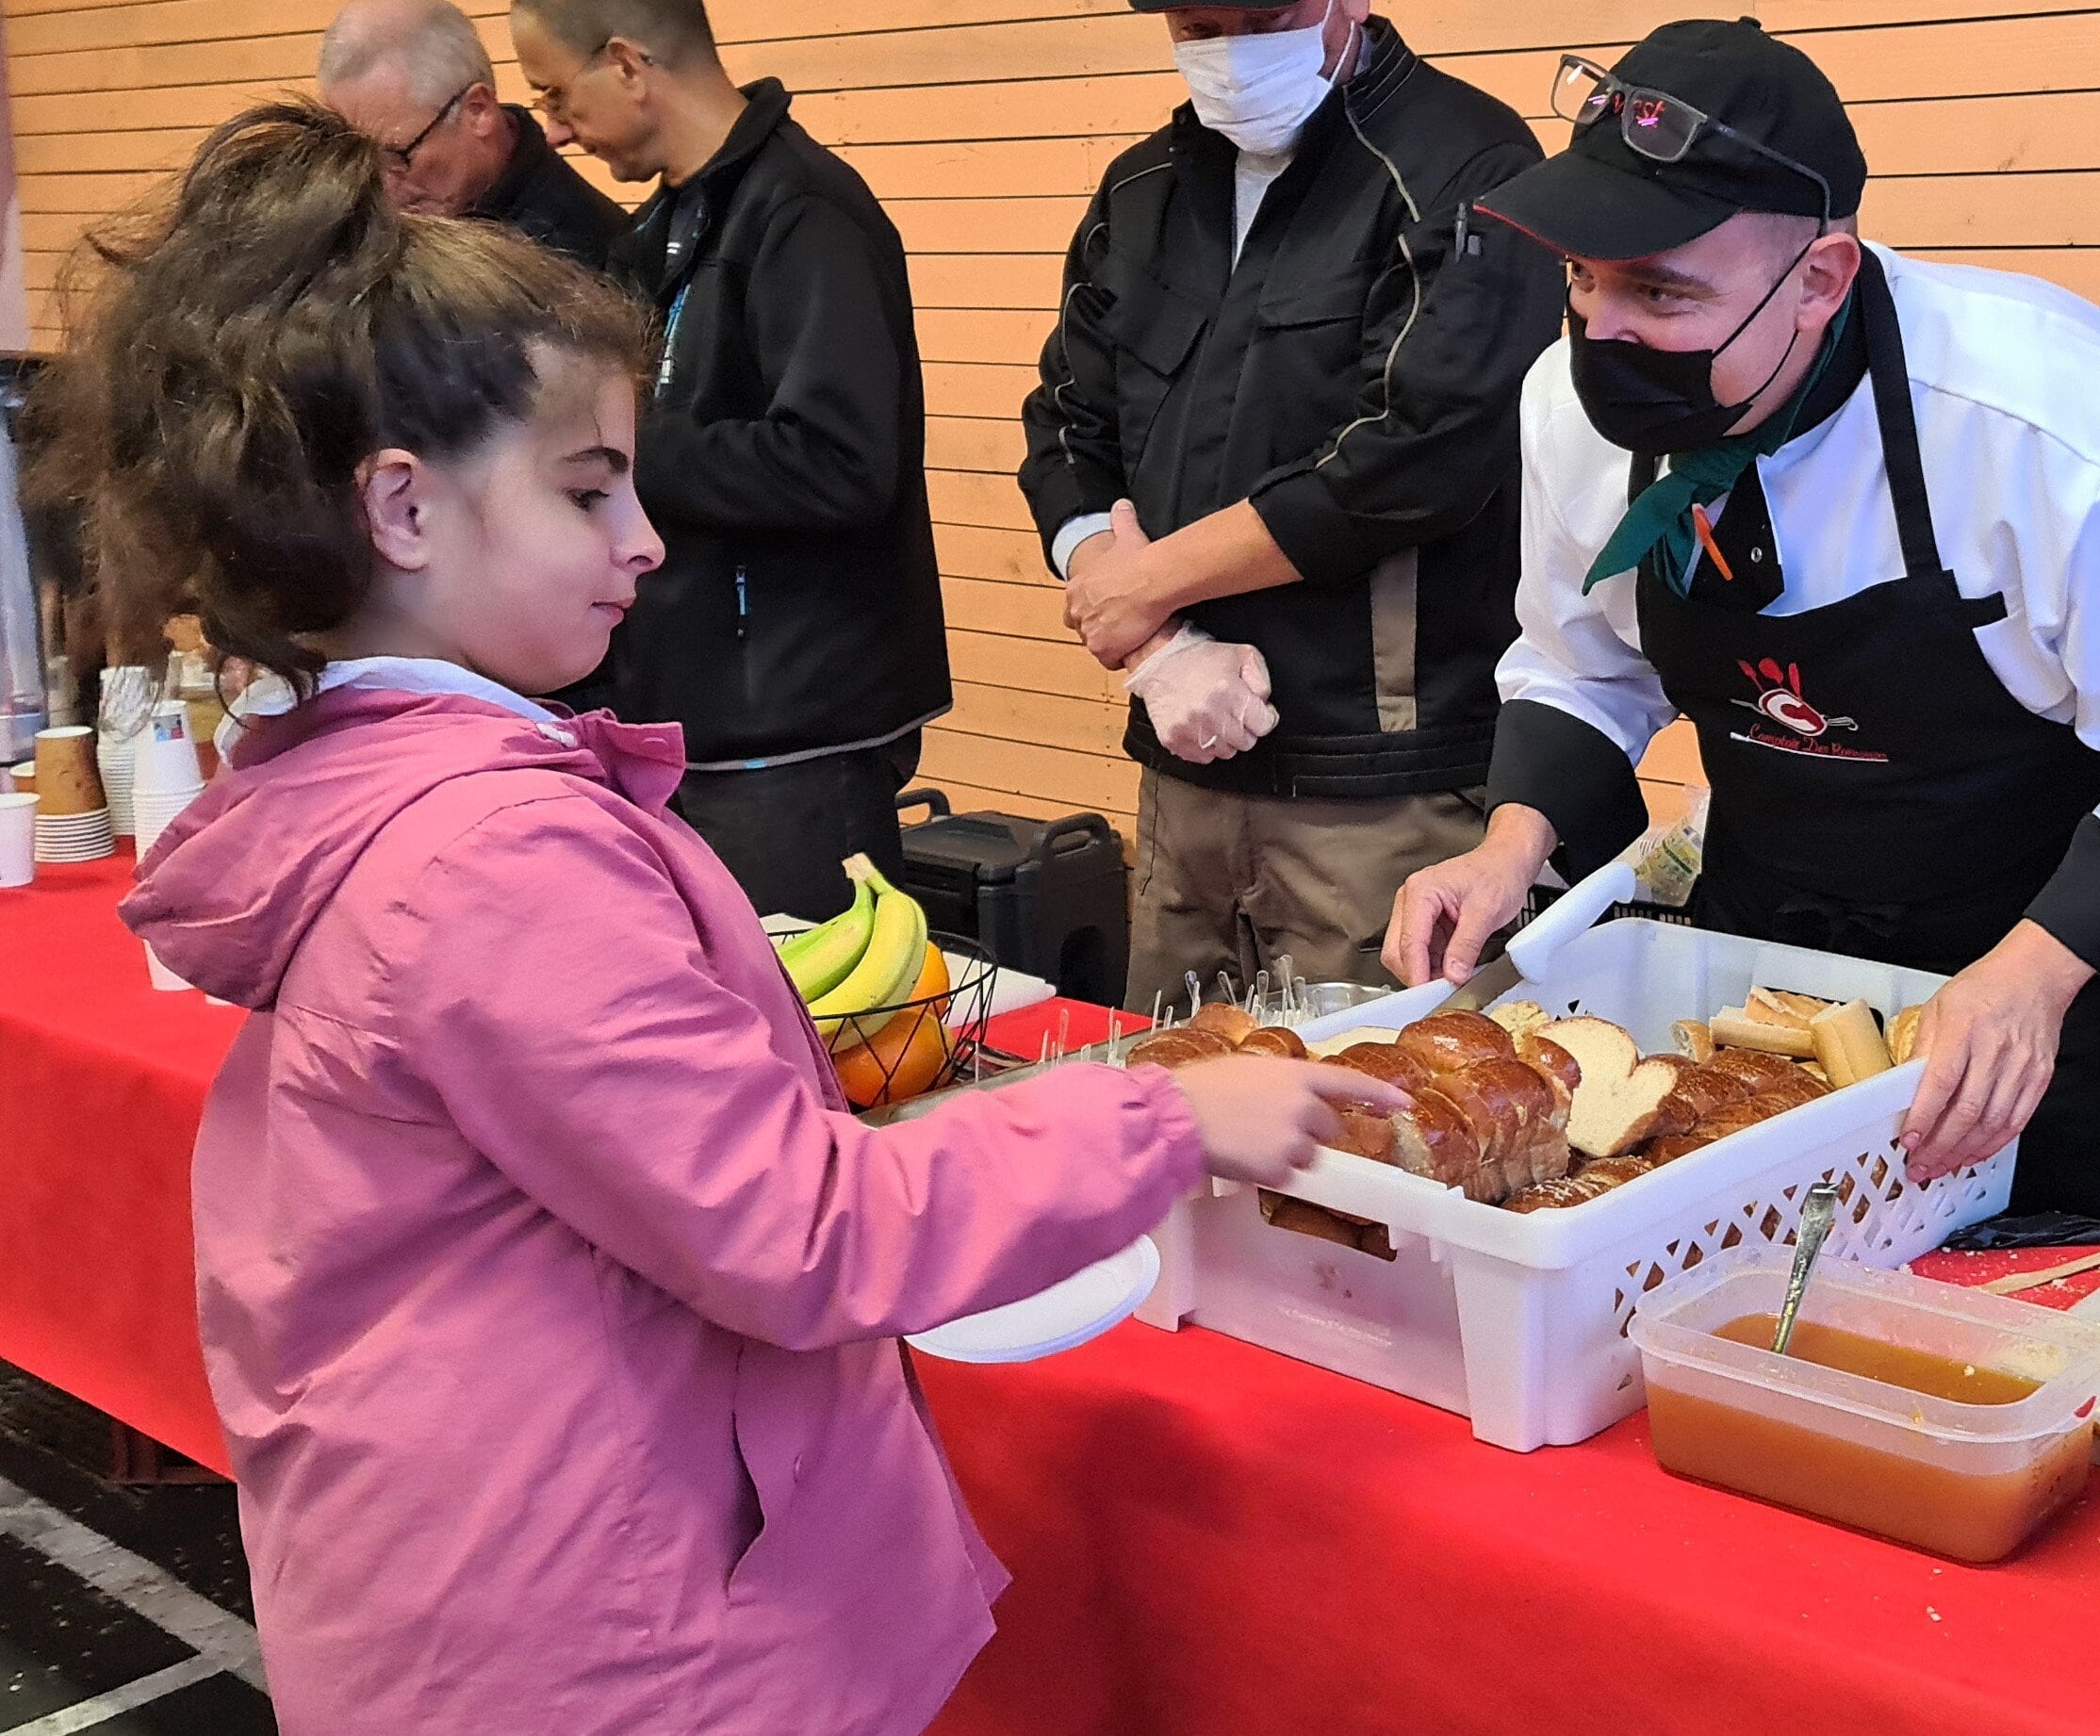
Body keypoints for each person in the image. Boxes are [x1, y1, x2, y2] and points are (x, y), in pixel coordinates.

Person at [51, 101, 1401, 1736]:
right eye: (586, 492)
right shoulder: (487, 864)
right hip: (608, 1641)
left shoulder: (386, 805)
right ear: (402, 511)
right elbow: (803, 1233)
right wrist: (1156, 1121)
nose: (646, 541)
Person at [1385, 20, 2100, 1253]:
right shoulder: (1571, 403)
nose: (1601, 329)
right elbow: (1582, 661)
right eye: (1582, 278)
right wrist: (1512, 843)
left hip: (2052, 1000)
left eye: (1662, 290)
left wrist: (2031, 977)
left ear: (1820, 278)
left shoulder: (2043, 413)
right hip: (1769, 979)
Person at [1022, 0, 1563, 1009]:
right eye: (1196, 31)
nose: (1227, 54)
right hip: (1181, 765)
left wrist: (1147, 584)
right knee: (1180, 1113)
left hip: (1382, 794)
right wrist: (1153, 643)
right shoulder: (1143, 190)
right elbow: (1065, 425)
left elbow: (1417, 454)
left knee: (1388, 1151)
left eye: (1262, 21)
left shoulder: (1466, 165)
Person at [511, 0, 952, 919]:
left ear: (626, 62)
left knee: (806, 1048)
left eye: (553, 95)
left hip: (792, 744)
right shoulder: (663, 227)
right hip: (689, 720)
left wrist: (619, 460)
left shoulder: (805, 216)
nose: (558, 132)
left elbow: (842, 464)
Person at [316, 0, 632, 281]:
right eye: (356, 156)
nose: (380, 185)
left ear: (478, 111)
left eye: (396, 156)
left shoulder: (579, 260)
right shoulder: (379, 215)